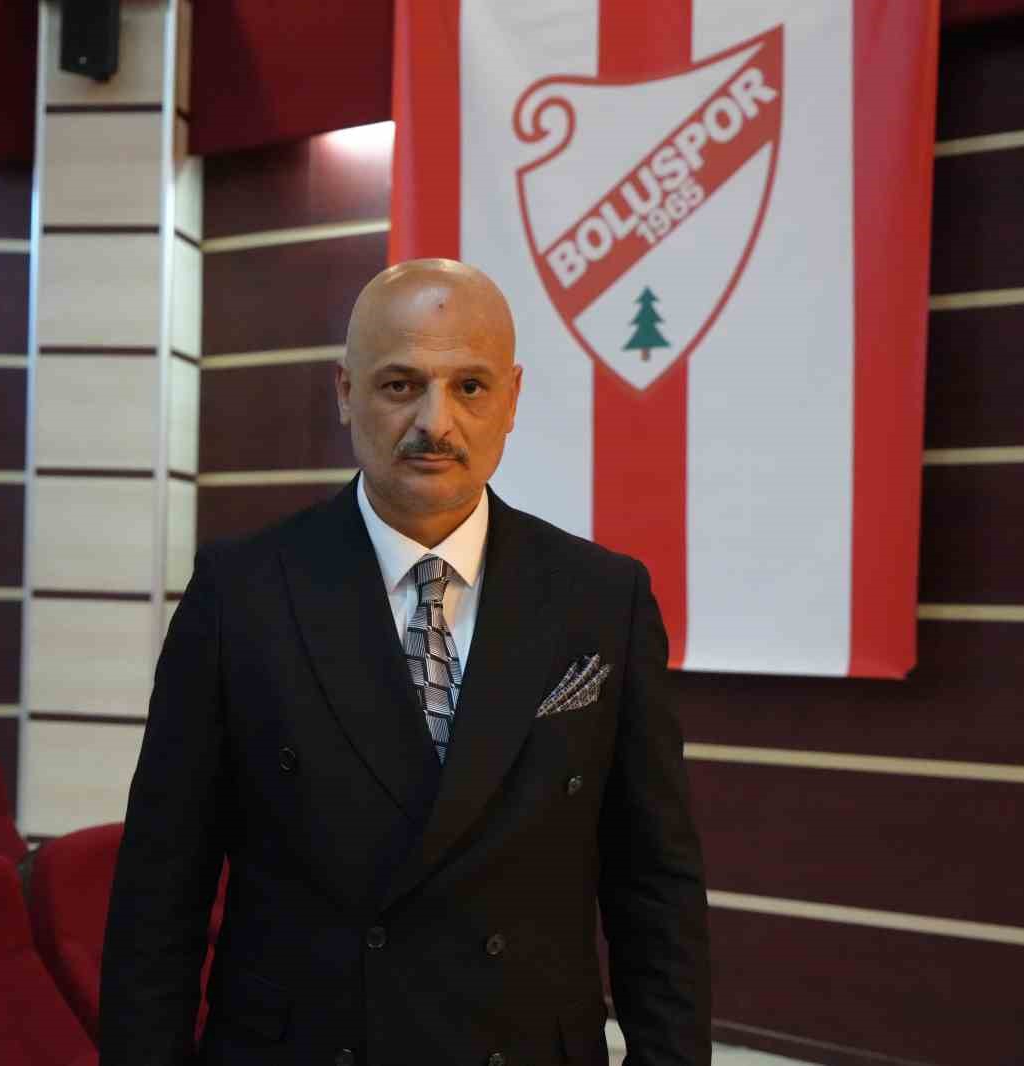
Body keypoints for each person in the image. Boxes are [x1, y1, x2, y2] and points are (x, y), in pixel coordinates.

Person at [100, 259, 710, 1066]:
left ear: (512, 399)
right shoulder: (239, 594)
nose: (436, 422)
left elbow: (655, 884)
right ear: (345, 391)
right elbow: (160, 890)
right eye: (400, 385)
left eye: (470, 387)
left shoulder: (603, 599)